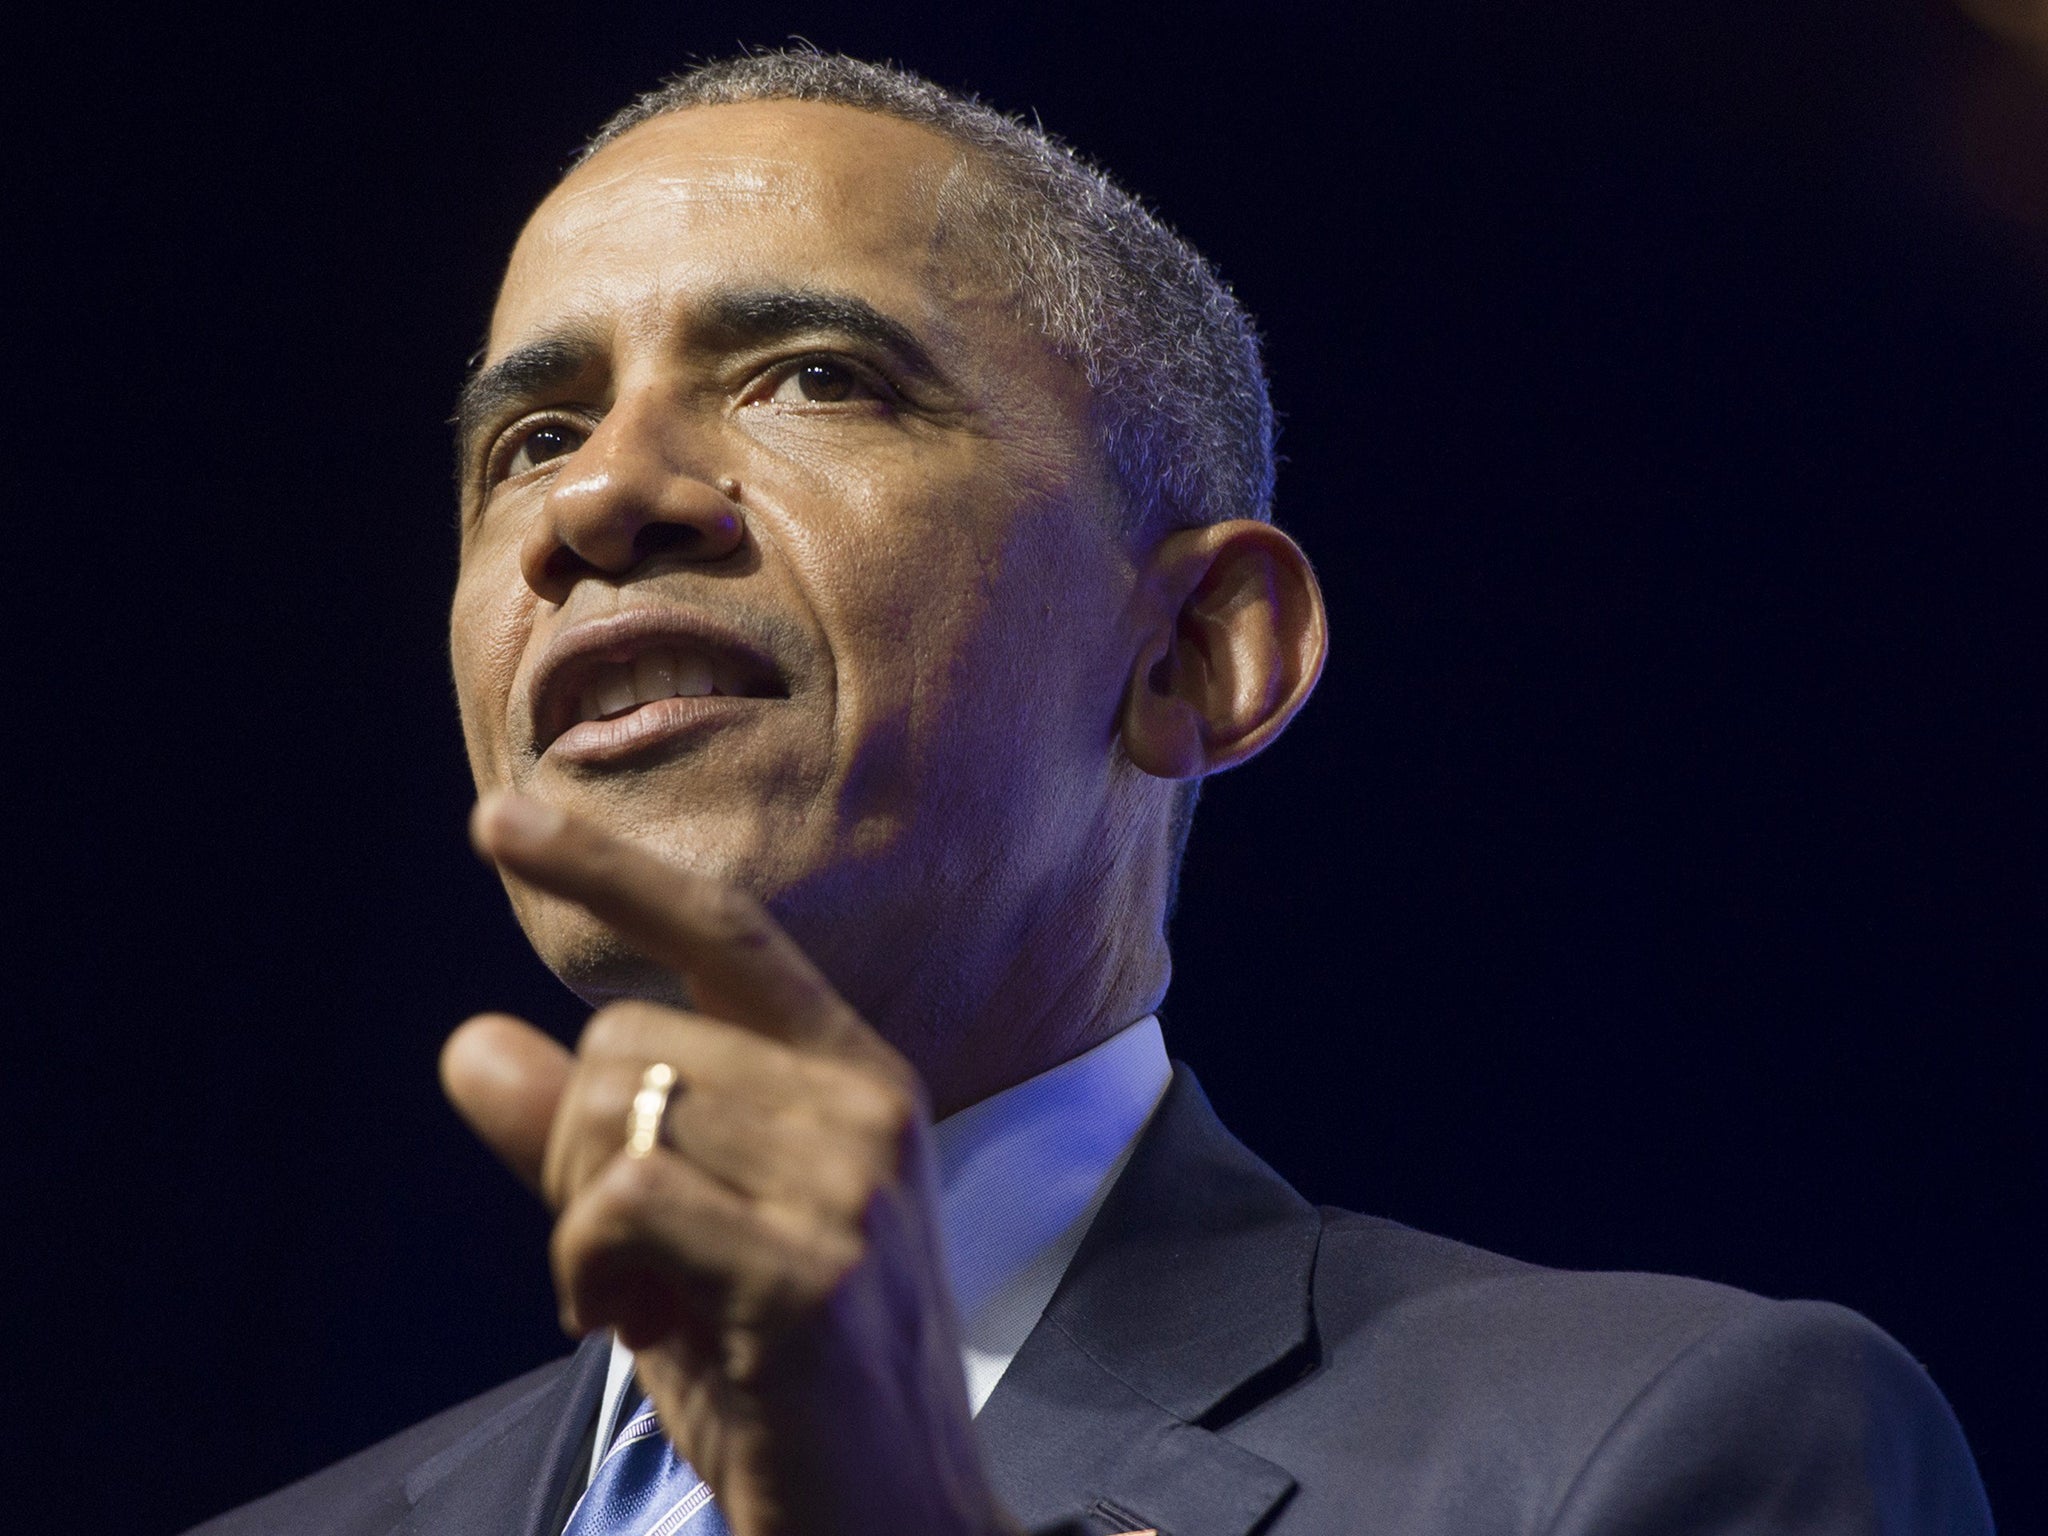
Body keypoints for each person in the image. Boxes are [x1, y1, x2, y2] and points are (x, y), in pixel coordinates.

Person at [187, 51, 1993, 1536]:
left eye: (814, 376)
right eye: (533, 438)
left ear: (1202, 649)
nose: (603, 498)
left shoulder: (1648, 1451)